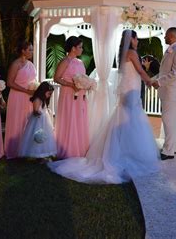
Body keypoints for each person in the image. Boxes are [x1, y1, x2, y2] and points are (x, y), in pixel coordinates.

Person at [47, 30, 160, 184]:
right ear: (132, 39)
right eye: (136, 38)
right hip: (130, 89)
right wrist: (151, 82)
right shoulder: (132, 53)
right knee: (131, 121)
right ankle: (130, 153)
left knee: (126, 120)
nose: (138, 41)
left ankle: (122, 150)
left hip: (126, 89)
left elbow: (135, 70)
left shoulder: (123, 54)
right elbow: (139, 70)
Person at [152, 27, 176, 160]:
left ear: (172, 36)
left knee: (168, 120)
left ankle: (168, 151)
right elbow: (165, 71)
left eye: (166, 36)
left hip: (171, 92)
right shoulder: (171, 49)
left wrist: (159, 82)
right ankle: (172, 147)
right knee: (170, 120)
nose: (165, 38)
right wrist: (156, 80)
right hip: (167, 91)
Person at [53, 36, 89, 159]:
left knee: (79, 119)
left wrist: (87, 84)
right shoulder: (65, 61)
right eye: (80, 47)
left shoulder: (80, 62)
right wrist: (71, 85)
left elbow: (83, 77)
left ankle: (79, 148)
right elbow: (56, 78)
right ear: (73, 48)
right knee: (70, 118)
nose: (82, 49)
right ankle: (68, 149)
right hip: (68, 95)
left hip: (80, 96)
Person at [5, 41, 37, 159]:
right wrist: (25, 90)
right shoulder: (16, 64)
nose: (31, 52)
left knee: (27, 121)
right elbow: (9, 82)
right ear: (23, 51)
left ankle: (27, 149)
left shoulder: (31, 64)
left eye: (32, 50)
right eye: (30, 50)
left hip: (29, 97)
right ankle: (14, 149)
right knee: (17, 121)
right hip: (17, 96)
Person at [19, 82, 57, 160]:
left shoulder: (43, 100)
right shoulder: (37, 99)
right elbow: (35, 110)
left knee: (46, 135)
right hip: (38, 120)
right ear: (43, 91)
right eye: (49, 93)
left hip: (44, 120)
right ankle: (35, 152)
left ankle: (44, 152)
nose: (49, 96)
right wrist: (39, 113)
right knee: (37, 135)